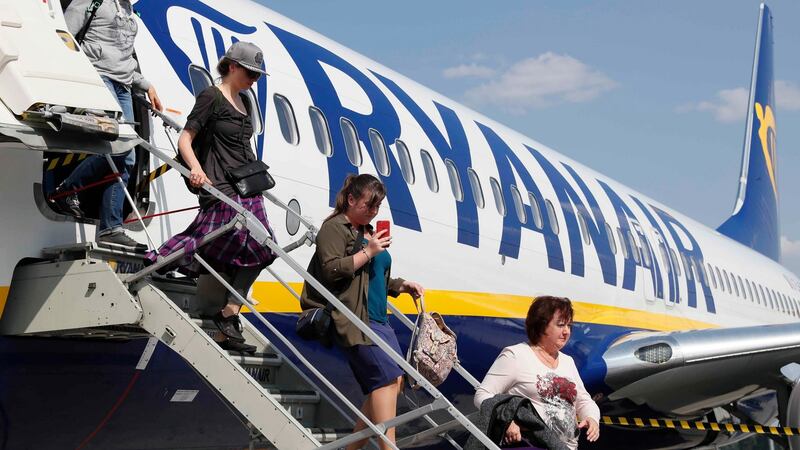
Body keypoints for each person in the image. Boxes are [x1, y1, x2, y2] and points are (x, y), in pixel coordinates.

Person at [144, 42, 273, 354]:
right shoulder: (211, 97)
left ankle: (228, 314)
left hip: (246, 187)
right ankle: (162, 259)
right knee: (208, 235)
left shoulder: (246, 101)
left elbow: (244, 147)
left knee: (268, 247)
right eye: (249, 72)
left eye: (257, 74)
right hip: (219, 184)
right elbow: (185, 138)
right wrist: (197, 170)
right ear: (231, 66)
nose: (254, 79)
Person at [300, 174, 424, 450]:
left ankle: (353, 448)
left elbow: (374, 277)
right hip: (356, 318)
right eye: (369, 205)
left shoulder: (367, 232)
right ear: (351, 199)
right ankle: (388, 446)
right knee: (384, 381)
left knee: (395, 381)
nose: (373, 211)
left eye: (377, 207)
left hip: (379, 318)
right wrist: (368, 251)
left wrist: (401, 285)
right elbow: (331, 270)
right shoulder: (335, 227)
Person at [52, 0, 163, 249]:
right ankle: (68, 189)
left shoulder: (127, 9)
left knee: (128, 157)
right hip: (98, 77)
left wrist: (147, 85)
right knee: (122, 149)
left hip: (123, 84)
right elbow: (64, 38)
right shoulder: (90, 1)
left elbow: (123, 59)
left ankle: (110, 227)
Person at [475, 296, 600, 449]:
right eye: (561, 325)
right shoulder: (516, 355)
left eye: (569, 325)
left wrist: (591, 417)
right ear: (541, 326)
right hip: (531, 445)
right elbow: (483, 395)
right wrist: (506, 421)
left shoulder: (568, 361)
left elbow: (583, 400)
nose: (567, 331)